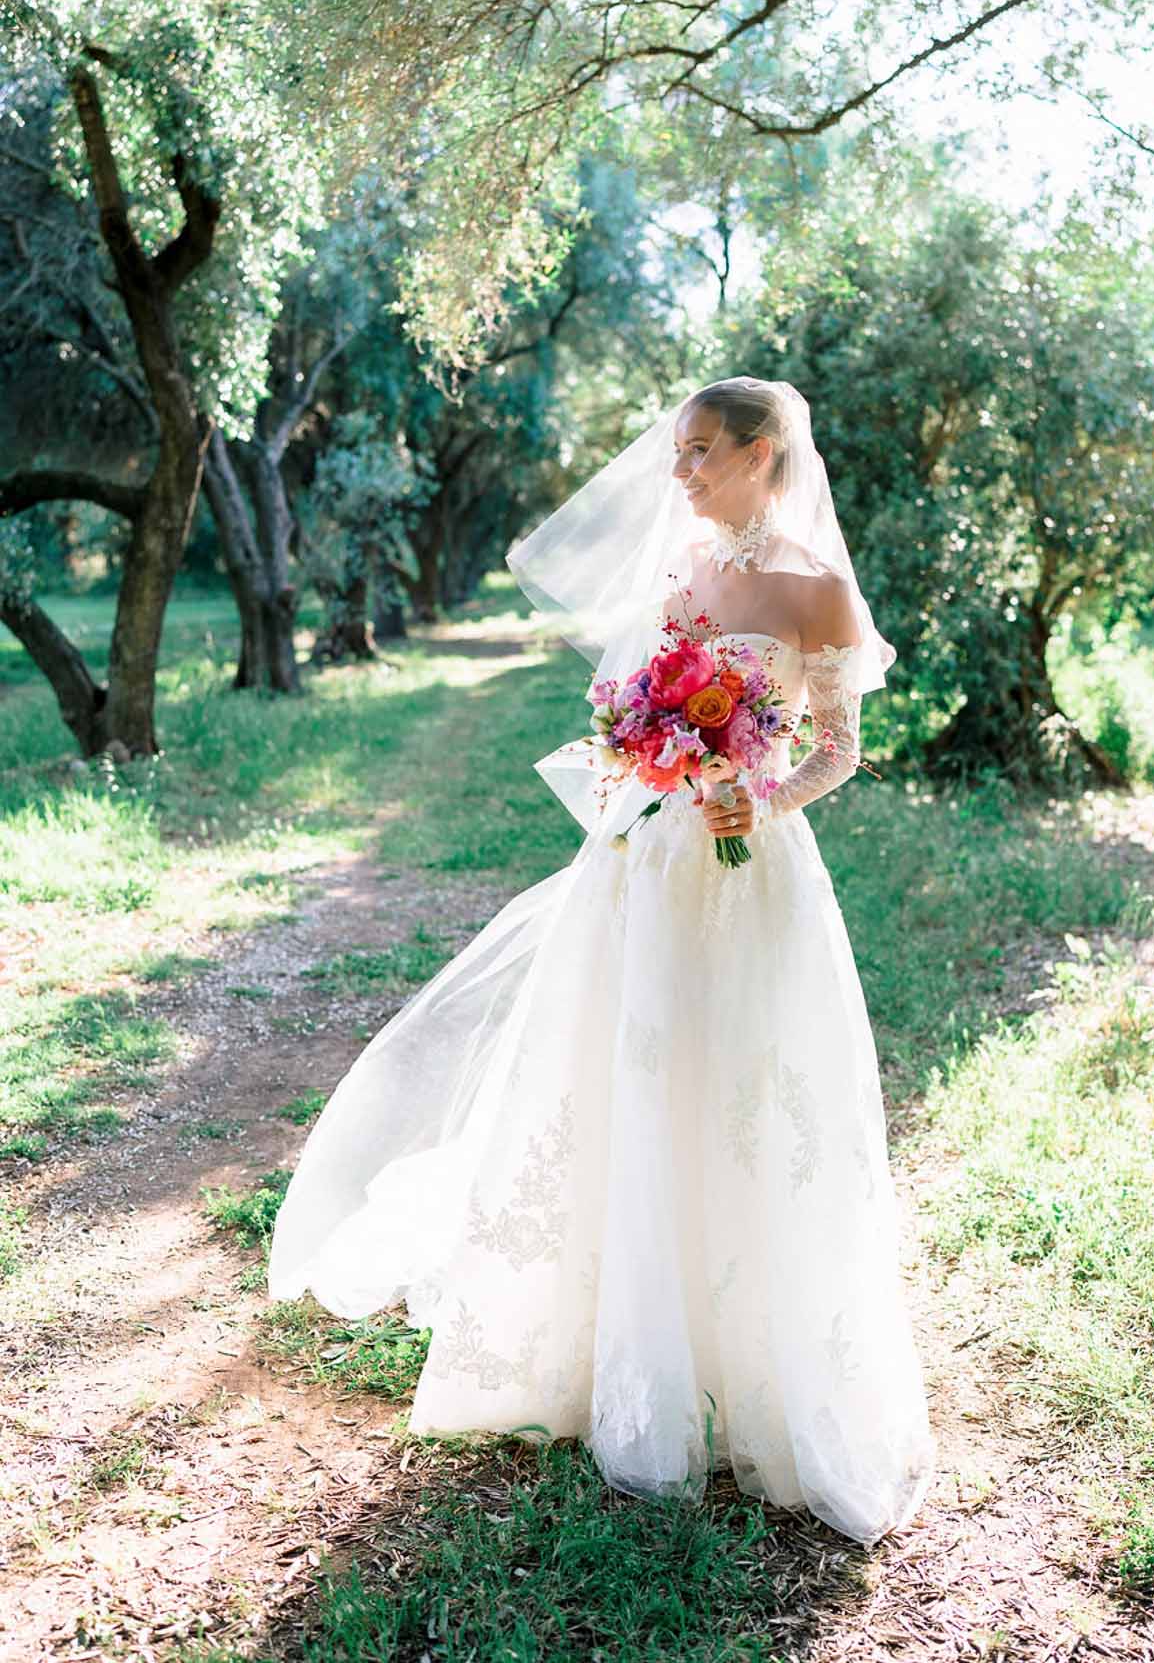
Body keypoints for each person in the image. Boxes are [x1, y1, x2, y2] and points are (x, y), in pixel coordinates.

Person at [267, 376, 936, 1544]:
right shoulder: (682, 566)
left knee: (739, 1082)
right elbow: (637, 701)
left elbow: (840, 747)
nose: (678, 473)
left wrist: (757, 795)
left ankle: (744, 1349)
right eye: (676, 452)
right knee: (622, 1071)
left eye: (700, 452)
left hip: (748, 864)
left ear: (764, 451)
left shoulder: (818, 590)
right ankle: (610, 1336)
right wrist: (645, 742)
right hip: (645, 859)